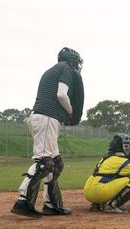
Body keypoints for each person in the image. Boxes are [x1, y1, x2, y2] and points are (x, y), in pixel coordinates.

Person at [11, 47, 84, 218]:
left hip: (45, 118)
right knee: (44, 162)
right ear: (72, 60)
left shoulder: (52, 70)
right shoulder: (65, 69)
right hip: (47, 118)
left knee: (56, 164)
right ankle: (23, 201)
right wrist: (70, 111)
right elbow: (61, 94)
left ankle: (51, 205)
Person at [83, 133, 130, 214]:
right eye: (128, 145)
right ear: (123, 147)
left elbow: (120, 170)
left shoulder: (106, 158)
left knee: (111, 177)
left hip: (88, 192)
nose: (129, 148)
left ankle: (96, 204)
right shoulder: (124, 161)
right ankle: (112, 205)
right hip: (100, 193)